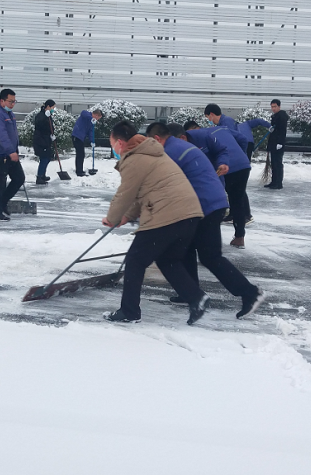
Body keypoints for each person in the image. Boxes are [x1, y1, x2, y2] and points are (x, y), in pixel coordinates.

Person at [145, 123, 266, 318]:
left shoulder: (170, 152)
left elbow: (158, 185)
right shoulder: (179, 147)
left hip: (206, 205)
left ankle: (250, 292)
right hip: (205, 202)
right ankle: (190, 292)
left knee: (210, 256)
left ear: (157, 139)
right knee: (186, 247)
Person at [102, 121, 209, 325]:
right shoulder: (152, 153)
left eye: (112, 143)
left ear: (120, 143)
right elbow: (142, 192)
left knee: (135, 260)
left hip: (166, 214)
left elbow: (125, 193)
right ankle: (196, 297)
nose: (113, 148)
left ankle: (129, 312)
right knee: (168, 260)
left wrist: (112, 218)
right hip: (189, 213)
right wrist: (127, 216)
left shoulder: (134, 159)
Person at [184, 120, 252, 248]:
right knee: (237, 200)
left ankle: (211, 237)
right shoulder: (222, 128)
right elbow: (243, 139)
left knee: (217, 202)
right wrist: (241, 154)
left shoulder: (200, 139)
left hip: (225, 168)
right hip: (243, 165)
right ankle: (239, 236)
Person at [0, 89, 25, 221]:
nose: (13, 104)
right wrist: (10, 151)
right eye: (10, 101)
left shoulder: (8, 113)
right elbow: (1, 134)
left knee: (19, 178)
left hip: (9, 153)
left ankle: (2, 202)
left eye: (14, 101)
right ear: (2, 101)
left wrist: (14, 150)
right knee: (0, 182)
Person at [71, 108, 103, 176]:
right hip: (76, 136)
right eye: (98, 118)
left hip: (81, 138)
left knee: (81, 154)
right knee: (80, 154)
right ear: (96, 115)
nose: (97, 119)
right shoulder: (86, 114)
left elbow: (91, 132)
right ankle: (79, 171)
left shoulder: (92, 122)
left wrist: (92, 141)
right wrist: (91, 119)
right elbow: (83, 112)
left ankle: (79, 170)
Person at [33, 99, 57, 185]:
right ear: (48, 106)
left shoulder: (48, 115)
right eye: (53, 107)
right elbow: (39, 125)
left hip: (46, 140)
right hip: (41, 141)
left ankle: (42, 175)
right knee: (44, 158)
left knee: (47, 158)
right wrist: (45, 117)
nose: (53, 109)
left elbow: (49, 127)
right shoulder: (41, 115)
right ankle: (39, 177)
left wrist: (52, 135)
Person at [266, 99, 289, 189]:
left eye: (275, 106)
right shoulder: (275, 116)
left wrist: (280, 143)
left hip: (278, 144)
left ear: (279, 106)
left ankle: (278, 183)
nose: (273, 108)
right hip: (273, 143)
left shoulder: (282, 117)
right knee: (274, 163)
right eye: (272, 107)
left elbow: (282, 131)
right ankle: (274, 181)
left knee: (278, 163)